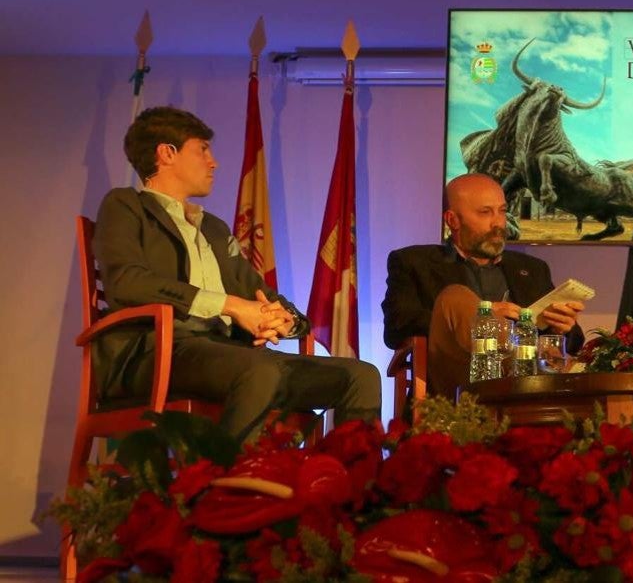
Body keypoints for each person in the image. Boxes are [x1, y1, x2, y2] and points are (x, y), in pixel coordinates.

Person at [93, 106, 381, 442]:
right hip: (157, 352)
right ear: (166, 153)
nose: (213, 161)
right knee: (257, 371)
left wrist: (284, 321)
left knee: (360, 375)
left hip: (228, 354)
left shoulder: (212, 228)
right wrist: (230, 306)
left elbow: (257, 292)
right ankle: (229, 486)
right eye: (202, 149)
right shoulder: (126, 205)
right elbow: (127, 282)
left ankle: (347, 489)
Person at [381, 173, 585, 398]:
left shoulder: (533, 269)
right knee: (454, 298)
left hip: (527, 386)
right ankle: (513, 355)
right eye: (485, 212)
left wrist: (563, 328)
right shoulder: (415, 262)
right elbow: (396, 328)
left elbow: (572, 343)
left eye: (502, 211)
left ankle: (519, 365)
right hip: (456, 387)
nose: (498, 222)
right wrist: (484, 315)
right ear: (453, 220)